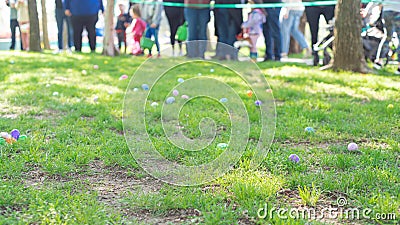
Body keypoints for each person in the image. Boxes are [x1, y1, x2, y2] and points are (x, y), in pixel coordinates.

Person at [303, 0, 335, 65]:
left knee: (333, 30)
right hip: (311, 4)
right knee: (313, 31)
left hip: (329, 4)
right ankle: (315, 55)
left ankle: (334, 52)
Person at [373, 1, 400, 74]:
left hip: (387, 10)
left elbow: (378, 2)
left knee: (387, 36)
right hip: (398, 10)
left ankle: (379, 61)